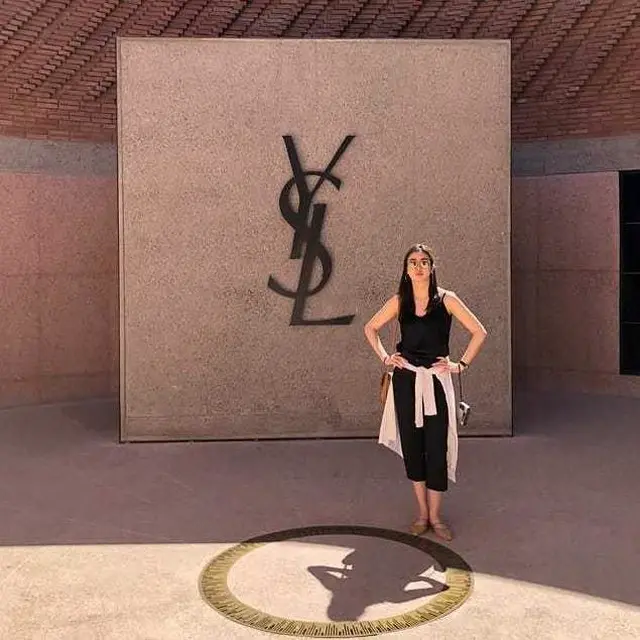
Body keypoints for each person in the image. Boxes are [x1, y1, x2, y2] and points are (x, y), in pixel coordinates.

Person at [364, 243, 487, 541]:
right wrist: (386, 358)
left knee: (436, 447)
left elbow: (479, 331)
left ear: (432, 267)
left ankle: (436, 516)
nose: (418, 267)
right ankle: (422, 514)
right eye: (413, 262)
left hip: (435, 381)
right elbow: (370, 328)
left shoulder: (447, 300)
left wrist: (460, 365)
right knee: (413, 447)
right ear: (406, 270)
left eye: (424, 261)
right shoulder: (400, 301)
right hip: (406, 382)